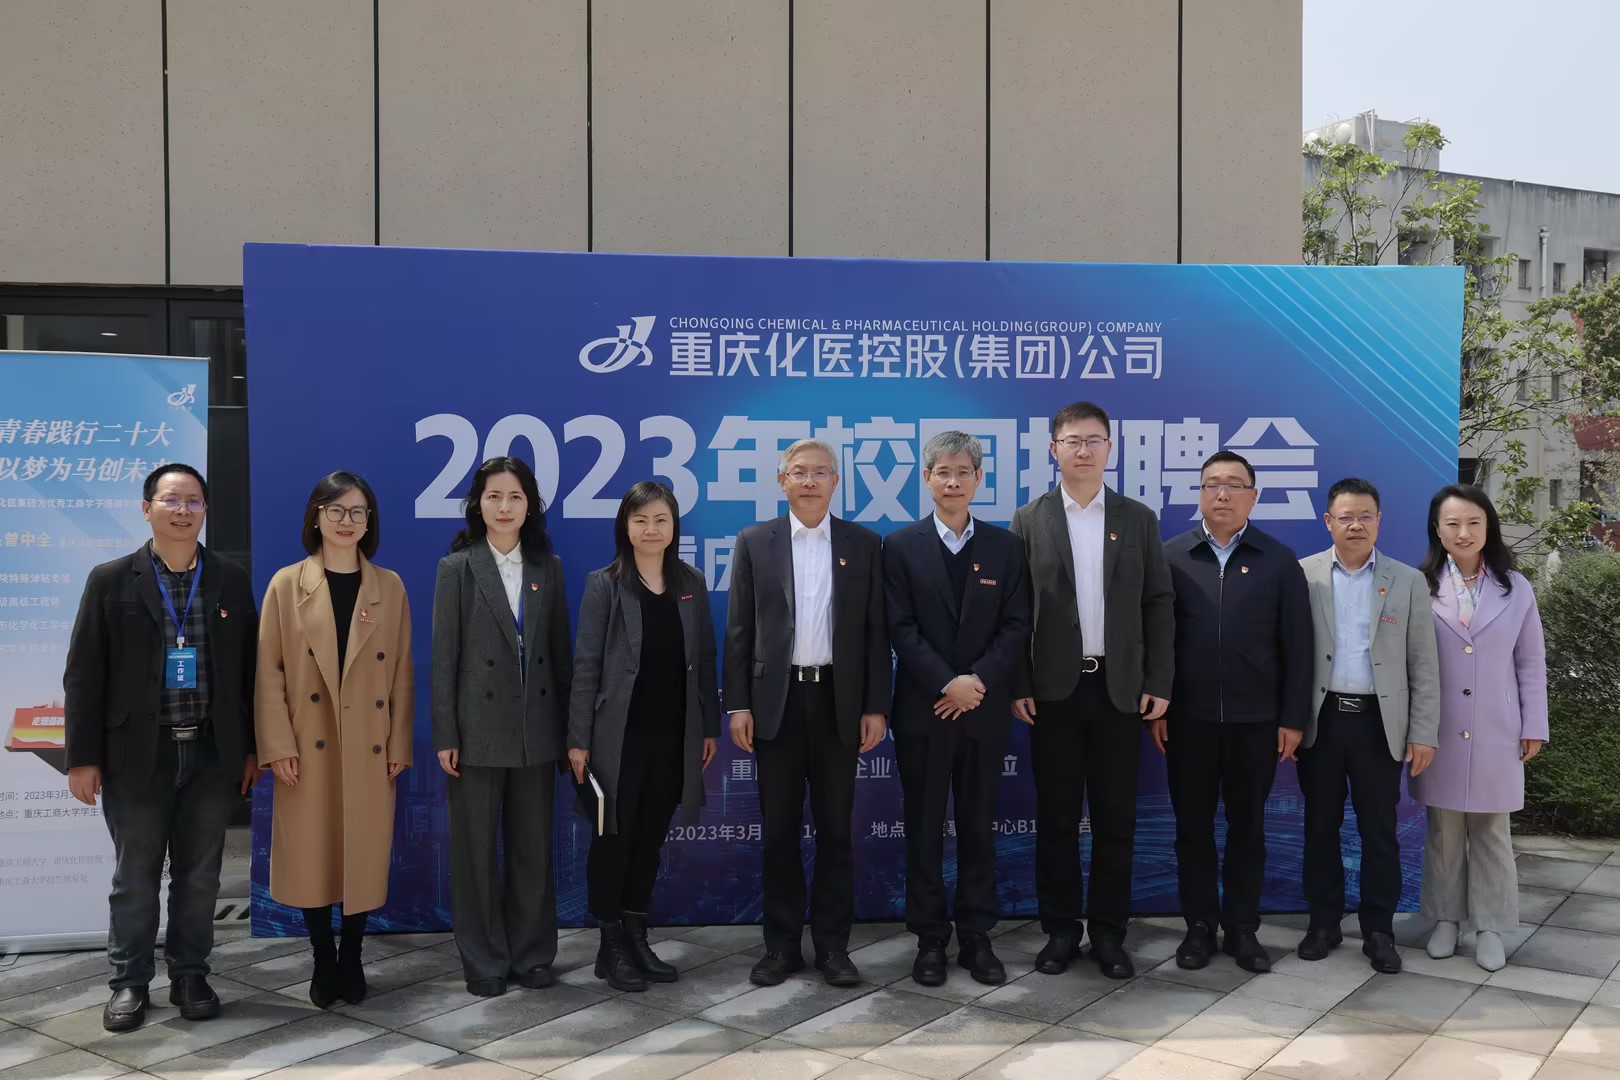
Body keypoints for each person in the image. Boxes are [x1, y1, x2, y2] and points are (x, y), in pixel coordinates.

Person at [63, 464, 259, 1033]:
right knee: (135, 876)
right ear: (147, 508)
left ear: (205, 511)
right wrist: (82, 758)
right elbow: (84, 675)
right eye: (171, 500)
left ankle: (191, 975)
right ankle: (128, 982)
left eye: (193, 501)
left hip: (211, 755)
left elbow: (248, 674)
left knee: (200, 876)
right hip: (135, 758)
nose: (183, 510)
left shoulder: (229, 579)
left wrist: (250, 750)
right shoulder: (111, 580)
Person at [1009, 400, 1175, 980]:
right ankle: (1059, 931)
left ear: (1110, 448)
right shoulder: (1029, 519)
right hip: (1053, 693)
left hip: (1118, 689)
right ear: (1053, 449)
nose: (1084, 450)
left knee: (1115, 820)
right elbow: (1016, 609)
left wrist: (1159, 681)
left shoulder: (1138, 519)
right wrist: (1018, 681)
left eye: (1094, 440)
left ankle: (1108, 933)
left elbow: (1158, 603)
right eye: (1073, 441)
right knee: (1056, 819)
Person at [725, 438, 890, 988]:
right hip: (777, 704)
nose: (811, 481)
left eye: (821, 472)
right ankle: (780, 947)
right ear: (783, 481)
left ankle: (834, 948)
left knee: (836, 830)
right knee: (779, 831)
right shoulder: (755, 542)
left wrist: (875, 705)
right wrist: (739, 704)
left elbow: (875, 633)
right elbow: (739, 629)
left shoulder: (863, 544)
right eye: (800, 472)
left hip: (839, 703)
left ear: (836, 482)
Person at [255, 472, 413, 1008]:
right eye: (337, 510)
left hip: (370, 743)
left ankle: (353, 956)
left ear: (370, 522)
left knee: (361, 854)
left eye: (358, 511)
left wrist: (398, 744)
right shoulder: (286, 585)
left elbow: (402, 675)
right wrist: (278, 745)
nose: (348, 521)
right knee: (312, 853)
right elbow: (269, 673)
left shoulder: (389, 587)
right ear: (316, 516)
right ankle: (323, 957)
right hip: (308, 743)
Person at [883, 432, 1030, 987]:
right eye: (942, 472)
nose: (952, 481)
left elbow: (1016, 624)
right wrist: (948, 682)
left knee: (977, 826)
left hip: (983, 711)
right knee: (923, 828)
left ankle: (976, 936)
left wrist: (976, 682)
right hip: (923, 710)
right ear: (926, 478)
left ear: (978, 479)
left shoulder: (1004, 547)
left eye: (963, 472)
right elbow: (900, 628)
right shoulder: (899, 546)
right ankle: (928, 938)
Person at [1157, 451, 1311, 974]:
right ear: (1200, 493)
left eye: (1234, 485)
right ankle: (1198, 928)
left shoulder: (1279, 560)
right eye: (1212, 484)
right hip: (1187, 721)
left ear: (1253, 496)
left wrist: (1292, 718)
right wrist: (1157, 707)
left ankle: (1243, 928)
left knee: (1249, 828)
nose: (1222, 494)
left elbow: (1298, 646)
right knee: (1192, 828)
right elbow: (1157, 641)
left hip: (1257, 723)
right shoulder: (1171, 556)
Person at [568, 482, 720, 992]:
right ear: (625, 527)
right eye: (640, 520)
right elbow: (586, 665)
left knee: (650, 839)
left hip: (673, 737)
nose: (651, 529)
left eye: (660, 519)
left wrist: (708, 727)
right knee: (612, 840)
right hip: (617, 739)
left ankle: (636, 936)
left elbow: (705, 660)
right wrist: (578, 739)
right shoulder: (605, 584)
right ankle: (610, 945)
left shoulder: (691, 582)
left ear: (674, 526)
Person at [431, 456, 573, 997]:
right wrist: (447, 734)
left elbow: (561, 657)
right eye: (494, 496)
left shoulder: (548, 568)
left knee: (533, 849)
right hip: (476, 732)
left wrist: (568, 733)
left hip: (536, 730)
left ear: (530, 506)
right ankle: (484, 959)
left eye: (516, 497)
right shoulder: (457, 568)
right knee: (474, 853)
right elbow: (443, 659)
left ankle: (533, 955)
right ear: (478, 504)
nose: (505, 507)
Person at [1297, 477, 1439, 974]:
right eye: (1346, 516)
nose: (1355, 525)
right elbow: (1288, 656)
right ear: (1328, 521)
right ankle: (1323, 923)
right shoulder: (1304, 575)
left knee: (1379, 829)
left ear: (1379, 521)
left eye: (1366, 516)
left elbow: (1424, 662)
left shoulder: (1407, 581)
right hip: (1321, 721)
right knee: (1320, 826)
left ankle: (1379, 930)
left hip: (1381, 723)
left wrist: (1422, 731)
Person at [1411, 485, 1547, 972]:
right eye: (1452, 523)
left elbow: (1530, 661)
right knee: (1444, 830)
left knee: (1491, 830)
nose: (1463, 532)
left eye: (1473, 522)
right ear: (1437, 529)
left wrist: (1534, 723)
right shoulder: (1419, 586)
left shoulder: (1516, 587)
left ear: (1489, 526)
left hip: (1497, 726)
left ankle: (1491, 926)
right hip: (1439, 727)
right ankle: (1446, 919)